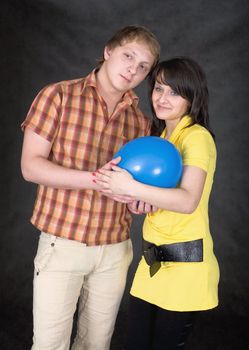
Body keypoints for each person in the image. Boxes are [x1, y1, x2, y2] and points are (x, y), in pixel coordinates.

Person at [20, 25, 160, 350]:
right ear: (109, 51)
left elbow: (131, 190)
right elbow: (31, 166)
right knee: (50, 345)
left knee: (96, 345)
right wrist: (97, 179)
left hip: (114, 250)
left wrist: (138, 201)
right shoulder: (58, 95)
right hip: (62, 244)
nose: (133, 69)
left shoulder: (141, 123)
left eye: (143, 66)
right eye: (128, 56)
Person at [95, 57, 220, 349]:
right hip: (153, 262)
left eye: (174, 92)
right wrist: (136, 202)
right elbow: (158, 197)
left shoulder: (196, 138)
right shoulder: (163, 137)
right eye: (159, 89)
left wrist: (132, 186)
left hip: (185, 265)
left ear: (192, 96)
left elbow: (188, 201)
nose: (163, 98)